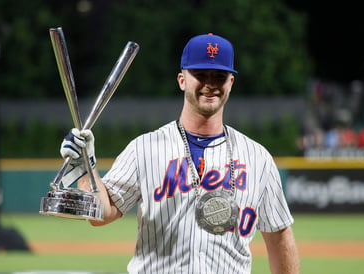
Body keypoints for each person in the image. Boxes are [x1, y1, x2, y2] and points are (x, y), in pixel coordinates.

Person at [60, 33, 300, 274]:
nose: (210, 83)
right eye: (200, 74)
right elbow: (101, 214)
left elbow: (279, 235)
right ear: (182, 80)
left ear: (230, 83)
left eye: (219, 76)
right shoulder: (144, 148)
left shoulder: (258, 158)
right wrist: (85, 168)